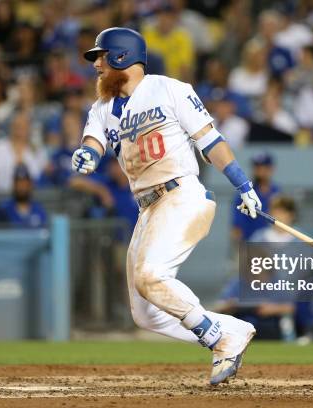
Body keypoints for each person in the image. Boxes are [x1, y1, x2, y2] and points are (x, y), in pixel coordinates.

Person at [71, 27, 259, 385]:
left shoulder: (169, 89)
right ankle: (229, 329)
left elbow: (210, 141)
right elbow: (93, 142)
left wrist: (243, 184)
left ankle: (218, 338)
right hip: (149, 208)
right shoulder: (102, 109)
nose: (96, 64)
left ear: (122, 56)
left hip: (182, 195)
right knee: (146, 314)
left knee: (151, 276)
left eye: (101, 56)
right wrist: (86, 155)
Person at [0, 110, 48, 192]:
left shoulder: (38, 150)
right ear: (11, 127)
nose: (21, 129)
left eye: (25, 126)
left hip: (31, 197)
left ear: (29, 128)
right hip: (2, 196)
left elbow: (43, 176)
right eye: (18, 126)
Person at [231, 152, 280, 242]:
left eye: (263, 167)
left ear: (271, 169)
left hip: (274, 244)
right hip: (249, 244)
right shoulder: (245, 194)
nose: (260, 171)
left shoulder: (277, 192)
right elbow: (237, 227)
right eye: (257, 167)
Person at [1, 165, 48, 229]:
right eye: (18, 183)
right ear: (14, 185)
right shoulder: (4, 210)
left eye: (24, 183)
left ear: (30, 185)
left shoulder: (39, 210)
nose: (22, 187)